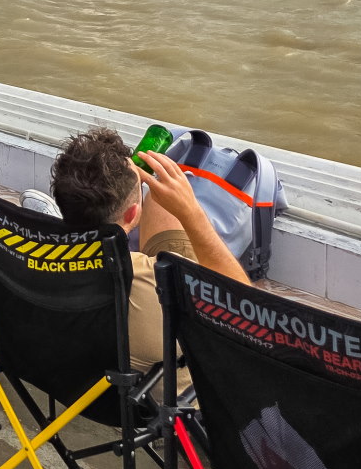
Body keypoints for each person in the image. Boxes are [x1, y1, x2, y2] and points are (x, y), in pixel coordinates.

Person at [48, 125, 250, 369]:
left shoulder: (31, 254)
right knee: (165, 210)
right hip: (162, 385)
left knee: (158, 200)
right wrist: (192, 213)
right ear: (133, 213)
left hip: (76, 375)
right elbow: (248, 310)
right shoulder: (167, 281)